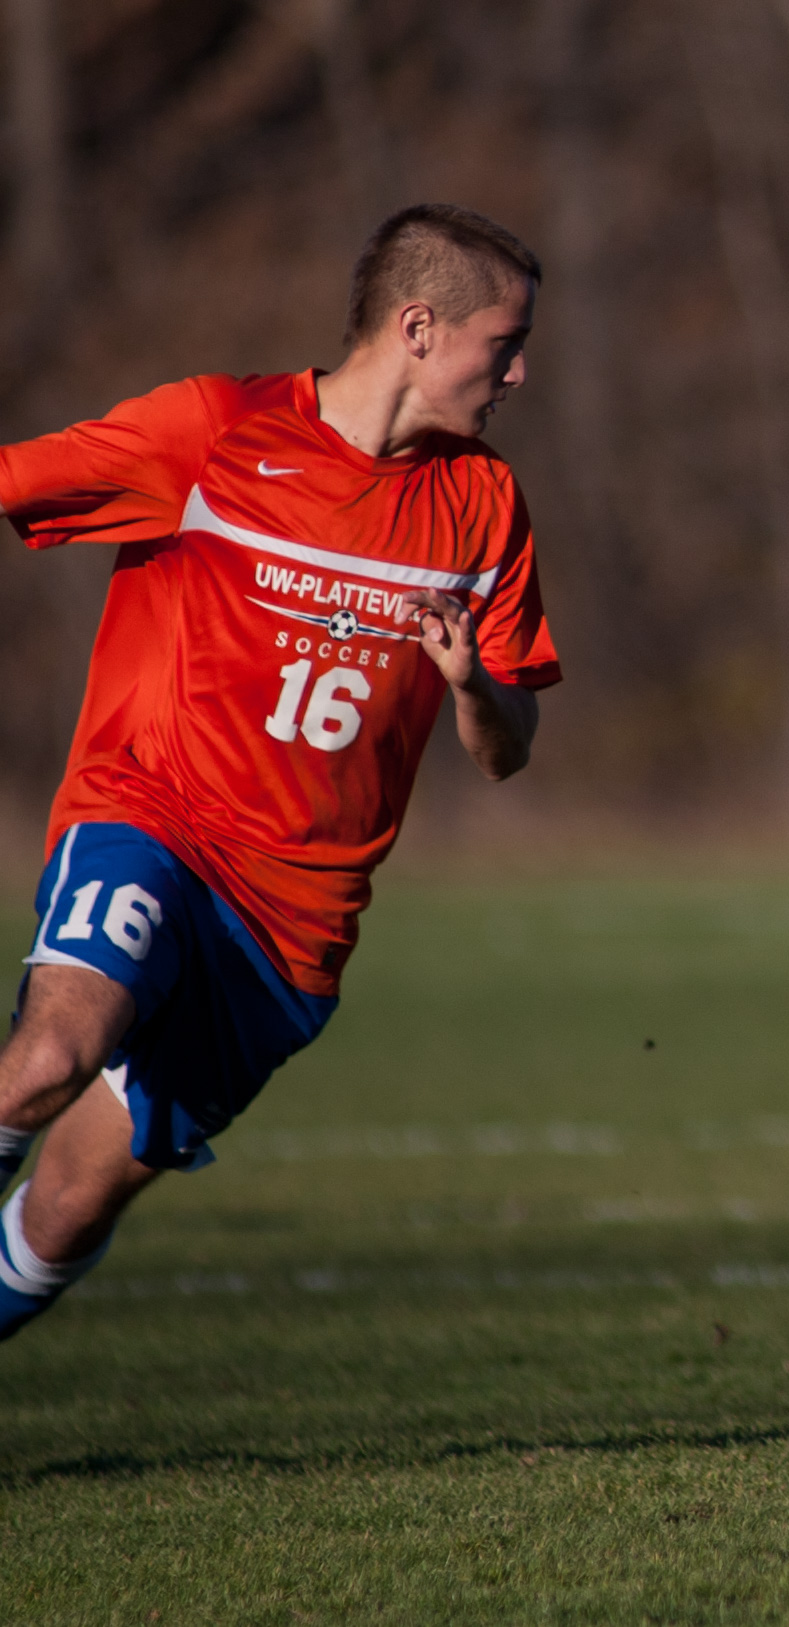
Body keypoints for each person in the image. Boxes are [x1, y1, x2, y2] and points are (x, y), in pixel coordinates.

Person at [0, 204, 559, 1341]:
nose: (518, 370)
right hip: (151, 817)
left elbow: (511, 751)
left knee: (68, 1200)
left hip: (295, 921)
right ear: (417, 328)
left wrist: (468, 687)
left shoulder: (484, 504)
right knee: (52, 1053)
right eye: (502, 344)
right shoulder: (215, 430)